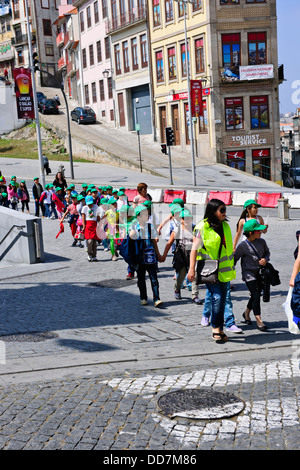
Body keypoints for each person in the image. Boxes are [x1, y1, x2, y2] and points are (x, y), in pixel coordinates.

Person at [187, 199, 236, 343]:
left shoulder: (225, 226)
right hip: (209, 269)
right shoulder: (203, 227)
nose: (224, 213)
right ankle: (215, 327)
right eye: (221, 210)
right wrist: (191, 270)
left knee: (222, 300)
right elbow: (194, 249)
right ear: (213, 211)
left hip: (224, 270)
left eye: (225, 209)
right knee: (217, 297)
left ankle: (220, 328)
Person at [234, 219, 270, 332]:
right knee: (255, 294)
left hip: (260, 272)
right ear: (251, 233)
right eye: (258, 231)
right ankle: (259, 320)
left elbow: (267, 253)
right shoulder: (243, 246)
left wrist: (265, 259)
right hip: (248, 273)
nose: (260, 232)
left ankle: (246, 313)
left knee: (256, 294)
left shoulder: (262, 242)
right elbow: (235, 258)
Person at [161, 208, 202, 305]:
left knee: (194, 275)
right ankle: (177, 289)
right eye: (184, 218)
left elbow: (201, 243)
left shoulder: (195, 229)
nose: (187, 220)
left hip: (193, 254)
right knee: (181, 275)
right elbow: (169, 243)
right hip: (181, 255)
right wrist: (163, 256)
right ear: (181, 220)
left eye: (188, 218)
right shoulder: (176, 230)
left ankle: (194, 295)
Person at [129, 205, 163, 307]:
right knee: (141, 279)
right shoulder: (134, 227)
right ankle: (143, 298)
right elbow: (130, 238)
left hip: (150, 257)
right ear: (138, 217)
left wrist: (158, 254)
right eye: (144, 214)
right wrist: (132, 233)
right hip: (139, 258)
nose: (147, 216)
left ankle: (156, 299)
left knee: (154, 279)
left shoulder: (150, 227)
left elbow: (154, 241)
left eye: (147, 214)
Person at [82, 195, 100, 261]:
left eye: (91, 203)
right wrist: (84, 226)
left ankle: (94, 256)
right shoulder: (84, 208)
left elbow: (98, 217)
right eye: (88, 204)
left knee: (95, 242)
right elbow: (83, 218)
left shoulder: (96, 206)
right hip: (88, 225)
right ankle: (89, 255)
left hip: (94, 225)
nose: (90, 205)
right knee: (90, 241)